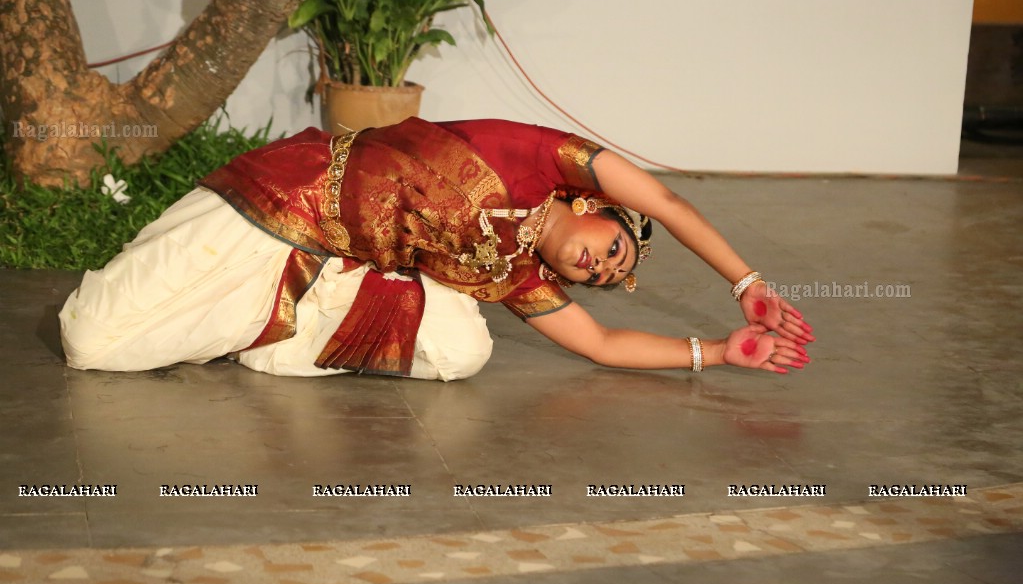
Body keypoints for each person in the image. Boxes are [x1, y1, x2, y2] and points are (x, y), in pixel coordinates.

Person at [59, 118, 813, 381]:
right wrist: (745, 282)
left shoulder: (515, 273)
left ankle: (271, 333)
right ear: (593, 206)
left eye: (611, 275)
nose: (607, 267)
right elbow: (669, 203)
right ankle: (251, 322)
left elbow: (603, 343)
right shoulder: (541, 157)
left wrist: (717, 353)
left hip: (337, 269)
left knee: (461, 350)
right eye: (615, 247)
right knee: (89, 340)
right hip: (274, 205)